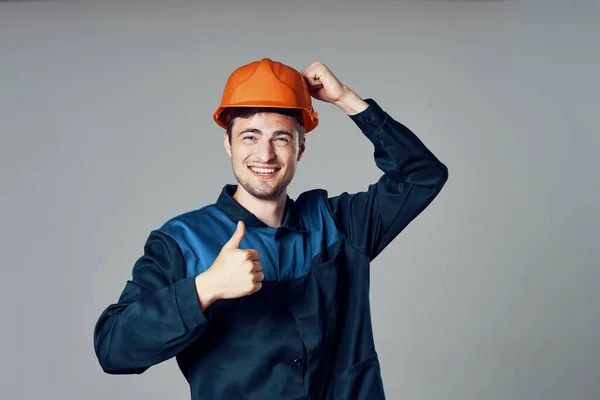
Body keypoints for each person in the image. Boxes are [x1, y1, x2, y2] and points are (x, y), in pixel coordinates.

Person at [93, 58, 449, 400]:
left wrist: (346, 99)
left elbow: (422, 176)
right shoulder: (182, 241)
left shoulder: (341, 225)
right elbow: (113, 349)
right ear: (227, 144)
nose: (265, 155)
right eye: (249, 137)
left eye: (281, 138)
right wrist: (205, 288)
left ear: (301, 147)